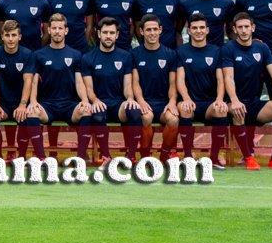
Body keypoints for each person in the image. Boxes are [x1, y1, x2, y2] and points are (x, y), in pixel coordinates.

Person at [221, 11, 272, 170]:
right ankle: (248, 158)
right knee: (238, 111)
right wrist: (234, 100)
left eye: (246, 27)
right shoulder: (228, 49)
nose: (243, 30)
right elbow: (228, 77)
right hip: (232, 103)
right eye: (240, 27)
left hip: (254, 103)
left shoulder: (262, 47)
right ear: (234, 29)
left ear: (253, 28)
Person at [27, 13, 92, 159]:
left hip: (69, 105)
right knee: (31, 113)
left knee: (86, 111)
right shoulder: (38, 55)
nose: (57, 31)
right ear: (48, 30)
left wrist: (85, 100)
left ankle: (81, 157)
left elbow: (79, 81)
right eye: (54, 28)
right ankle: (42, 158)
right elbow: (33, 81)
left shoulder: (76, 55)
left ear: (66, 31)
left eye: (60, 28)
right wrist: (32, 102)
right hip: (47, 105)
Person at [81, 17, 140, 165]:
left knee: (134, 111)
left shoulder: (126, 56)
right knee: (98, 115)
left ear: (117, 35)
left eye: (112, 32)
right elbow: (88, 87)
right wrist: (94, 100)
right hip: (99, 102)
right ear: (99, 34)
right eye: (105, 32)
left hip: (118, 104)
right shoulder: (88, 57)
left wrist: (130, 99)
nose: (108, 36)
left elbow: (127, 85)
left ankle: (131, 156)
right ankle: (106, 156)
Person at [175, 13, 230, 167]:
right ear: (189, 31)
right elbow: (180, 79)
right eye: (194, 28)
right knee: (185, 109)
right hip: (190, 101)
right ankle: (188, 156)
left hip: (209, 104)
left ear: (207, 30)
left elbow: (221, 79)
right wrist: (186, 98)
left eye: (201, 27)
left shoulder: (216, 51)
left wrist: (219, 99)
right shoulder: (181, 51)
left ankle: (213, 157)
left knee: (221, 110)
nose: (198, 31)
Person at [131, 14, 180, 160]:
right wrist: (140, 101)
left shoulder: (170, 54)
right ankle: (146, 155)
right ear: (141, 32)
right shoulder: (134, 54)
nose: (152, 33)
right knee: (146, 118)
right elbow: (135, 82)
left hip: (164, 103)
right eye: (148, 30)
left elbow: (173, 84)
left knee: (174, 120)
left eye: (154, 29)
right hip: (145, 102)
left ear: (160, 30)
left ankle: (165, 155)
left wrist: (172, 102)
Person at [0, 20, 35, 158]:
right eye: (7, 35)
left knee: (26, 117)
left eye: (14, 35)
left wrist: (23, 105)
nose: (10, 39)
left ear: (19, 36)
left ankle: (21, 156)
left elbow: (28, 81)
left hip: (20, 101)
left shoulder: (27, 54)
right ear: (1, 36)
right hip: (1, 102)